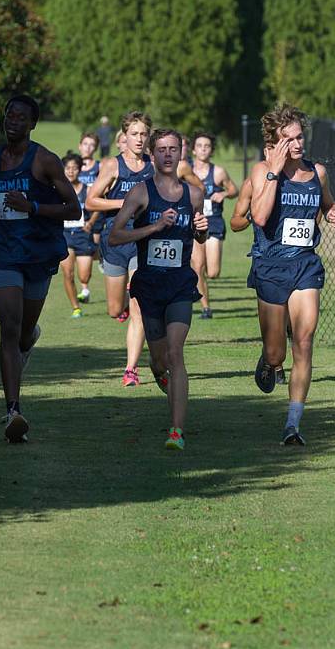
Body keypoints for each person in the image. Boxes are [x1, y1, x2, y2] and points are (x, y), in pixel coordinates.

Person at [0, 95, 79, 442]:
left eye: (22, 117)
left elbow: (74, 209)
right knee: (9, 326)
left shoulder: (45, 161)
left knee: (22, 332)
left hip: (37, 254)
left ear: (32, 124)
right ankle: (13, 411)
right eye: (10, 115)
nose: (14, 121)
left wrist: (32, 205)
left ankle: (28, 339)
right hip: (4, 253)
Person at [246, 105, 335, 446]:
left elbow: (327, 203)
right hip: (271, 267)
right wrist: (273, 172)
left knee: (303, 341)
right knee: (277, 354)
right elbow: (257, 217)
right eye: (288, 139)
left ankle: (293, 424)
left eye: (300, 136)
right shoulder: (262, 172)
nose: (297, 143)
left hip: (304, 264)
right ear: (275, 143)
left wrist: (333, 214)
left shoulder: (318, 172)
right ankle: (269, 360)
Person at [87, 112, 205, 387]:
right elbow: (91, 201)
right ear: (124, 137)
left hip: (148, 247)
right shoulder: (112, 166)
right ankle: (143, 321)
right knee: (116, 308)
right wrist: (127, 203)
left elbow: (189, 194)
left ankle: (131, 368)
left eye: (143, 134)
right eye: (135, 134)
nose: (139, 139)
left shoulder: (158, 165)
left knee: (139, 306)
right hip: (117, 240)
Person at [109, 129, 208, 450]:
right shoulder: (141, 192)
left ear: (182, 154)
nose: (168, 155)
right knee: (159, 359)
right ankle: (160, 375)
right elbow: (114, 236)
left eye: (173, 149)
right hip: (149, 285)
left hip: (180, 283)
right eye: (162, 150)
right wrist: (153, 226)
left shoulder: (193, 194)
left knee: (176, 353)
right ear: (153, 155)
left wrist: (202, 231)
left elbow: (198, 236)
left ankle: (176, 432)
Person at [189, 132, 238, 318]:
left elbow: (234, 189)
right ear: (193, 149)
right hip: (195, 223)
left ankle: (205, 300)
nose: (203, 149)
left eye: (207, 146)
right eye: (200, 145)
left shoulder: (218, 172)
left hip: (214, 222)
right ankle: (205, 307)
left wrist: (224, 194)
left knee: (213, 272)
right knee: (197, 266)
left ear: (211, 150)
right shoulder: (186, 171)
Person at [59, 153, 98, 317]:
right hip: (65, 234)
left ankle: (84, 288)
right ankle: (76, 307)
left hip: (83, 235)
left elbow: (96, 207)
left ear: (80, 169)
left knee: (84, 275)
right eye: (67, 168)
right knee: (68, 273)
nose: (71, 171)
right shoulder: (58, 191)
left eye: (74, 168)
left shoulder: (88, 189)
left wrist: (90, 222)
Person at [77, 132, 102, 265]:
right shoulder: (72, 166)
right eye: (85, 144)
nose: (88, 147)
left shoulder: (99, 167)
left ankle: (103, 259)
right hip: (78, 214)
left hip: (95, 214)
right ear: (79, 146)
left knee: (94, 252)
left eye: (92, 145)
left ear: (96, 148)